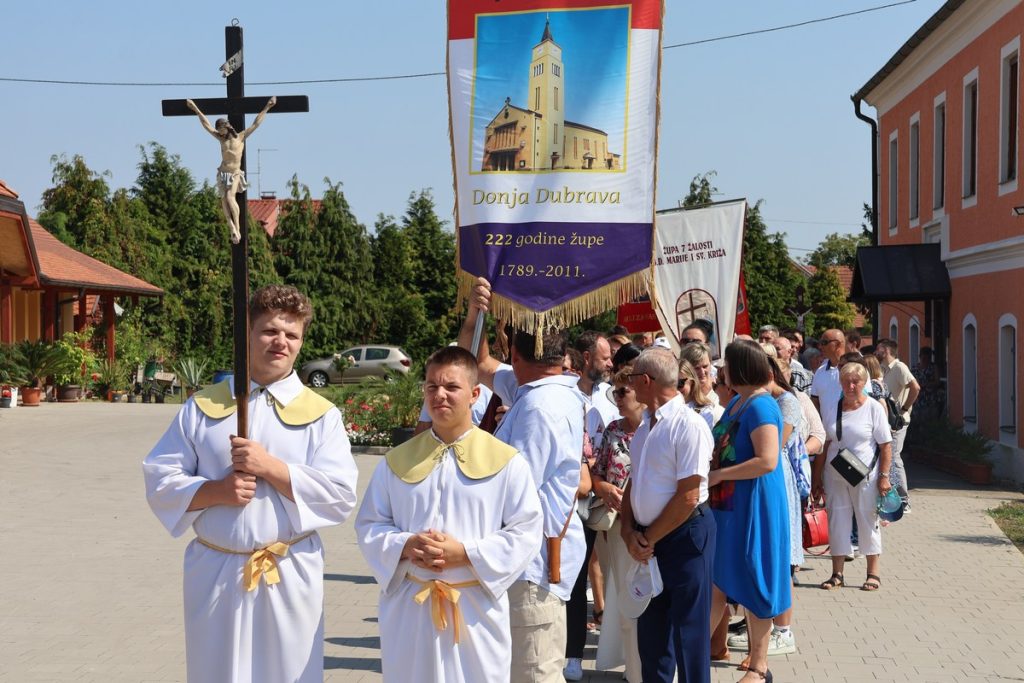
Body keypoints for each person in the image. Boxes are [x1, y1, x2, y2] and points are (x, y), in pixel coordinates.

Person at [143, 284, 359, 683]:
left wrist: (270, 467)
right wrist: (217, 492)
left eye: (291, 335)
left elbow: (340, 495)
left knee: (288, 673)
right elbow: (160, 478)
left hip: (287, 569)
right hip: (216, 570)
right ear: (247, 333)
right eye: (269, 331)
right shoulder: (203, 407)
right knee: (217, 672)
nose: (281, 342)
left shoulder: (322, 415)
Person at [355, 346, 543, 682]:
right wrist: (406, 544)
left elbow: (526, 531)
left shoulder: (506, 462)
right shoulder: (397, 460)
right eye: (431, 387)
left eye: (451, 387)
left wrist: (465, 554)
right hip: (410, 607)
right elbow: (370, 523)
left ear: (474, 394)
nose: (439, 395)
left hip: (474, 608)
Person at [620, 349, 715, 683]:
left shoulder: (689, 426)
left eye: (631, 379)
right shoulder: (646, 427)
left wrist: (646, 538)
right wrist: (629, 530)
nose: (628, 387)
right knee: (653, 635)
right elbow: (635, 482)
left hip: (684, 536)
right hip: (651, 539)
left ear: (645, 381)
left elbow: (689, 495)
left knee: (689, 635)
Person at [708, 340, 791, 683]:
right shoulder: (738, 403)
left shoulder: (761, 407)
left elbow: (767, 461)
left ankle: (759, 666)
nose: (721, 371)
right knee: (716, 580)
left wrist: (720, 474)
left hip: (754, 504)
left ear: (738, 368)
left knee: (755, 576)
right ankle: (689, 653)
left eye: (726, 364)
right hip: (729, 505)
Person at [813, 362, 893, 593]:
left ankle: (873, 573)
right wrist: (817, 478)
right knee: (837, 521)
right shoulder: (832, 407)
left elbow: (885, 445)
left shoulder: (873, 408)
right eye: (846, 381)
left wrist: (884, 477)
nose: (850, 386)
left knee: (867, 520)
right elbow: (825, 444)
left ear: (863, 382)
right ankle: (837, 573)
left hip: (865, 474)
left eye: (855, 381)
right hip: (834, 473)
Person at [590, 365, 646, 683]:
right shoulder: (613, 428)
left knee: (649, 600)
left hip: (651, 527)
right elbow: (596, 473)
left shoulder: (657, 429)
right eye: (614, 391)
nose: (617, 397)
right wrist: (605, 488)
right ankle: (633, 673)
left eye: (622, 391)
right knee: (625, 599)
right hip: (615, 526)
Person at [186, 97, 276, 244]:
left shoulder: (240, 137)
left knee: (229, 197)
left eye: (221, 130)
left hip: (234, 173)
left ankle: (238, 228)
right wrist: (195, 109)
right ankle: (232, 227)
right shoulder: (221, 139)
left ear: (227, 127)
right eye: (219, 131)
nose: (219, 133)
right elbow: (206, 125)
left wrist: (267, 107)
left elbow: (256, 123)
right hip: (223, 173)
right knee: (223, 201)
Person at [875, 338, 919, 512]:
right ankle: (893, 499)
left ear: (885, 350)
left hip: (898, 422)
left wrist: (905, 409)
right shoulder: (884, 369)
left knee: (894, 457)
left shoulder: (900, 367)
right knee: (891, 457)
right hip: (890, 421)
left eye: (878, 349)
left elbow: (915, 387)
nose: (876, 352)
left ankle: (904, 499)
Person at [810, 329, 846, 414]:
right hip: (825, 427)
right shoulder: (820, 372)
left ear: (838, 344)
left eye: (824, 342)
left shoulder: (857, 368)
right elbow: (815, 402)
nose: (820, 347)